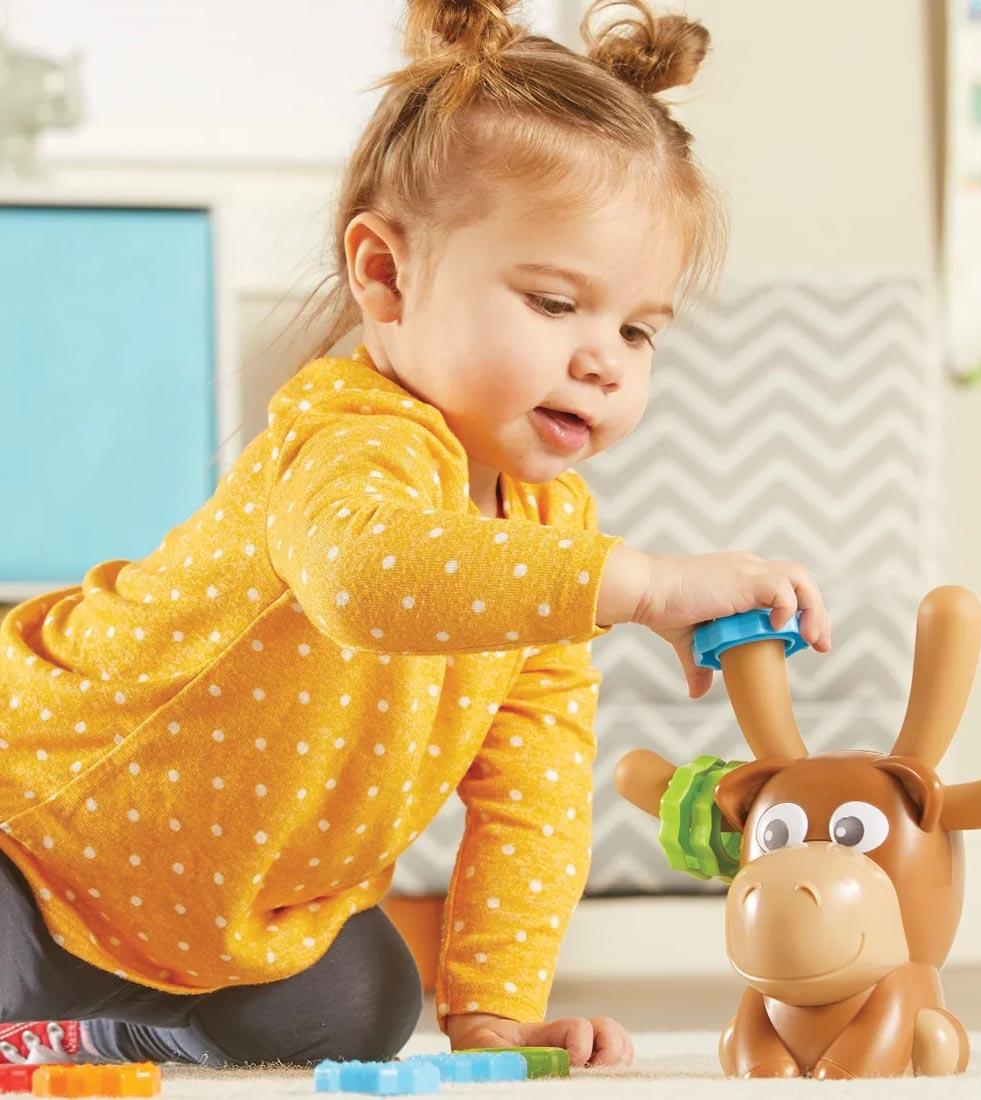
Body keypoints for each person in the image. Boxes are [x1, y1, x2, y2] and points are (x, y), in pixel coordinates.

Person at [0, 0, 830, 1072]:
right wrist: (644, 583)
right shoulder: (348, 435)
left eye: (635, 329)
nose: (604, 361)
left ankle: (97, 1023)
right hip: (38, 830)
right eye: (551, 302)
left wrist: (492, 1006)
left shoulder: (546, 534)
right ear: (385, 275)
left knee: (359, 1000)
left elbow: (531, 782)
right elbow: (370, 576)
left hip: (221, 913)